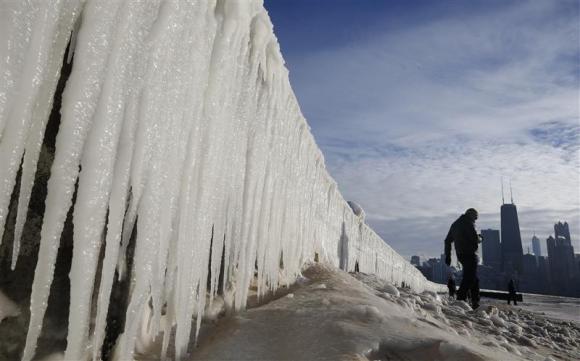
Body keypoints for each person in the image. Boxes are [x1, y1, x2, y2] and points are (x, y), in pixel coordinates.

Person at [444, 208, 480, 309]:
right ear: (472, 215)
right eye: (475, 218)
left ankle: (474, 301)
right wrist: (479, 238)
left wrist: (448, 256)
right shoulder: (468, 223)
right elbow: (474, 238)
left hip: (461, 255)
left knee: (474, 278)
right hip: (470, 254)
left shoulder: (455, 224)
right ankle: (460, 300)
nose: (475, 220)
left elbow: (447, 241)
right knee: (470, 278)